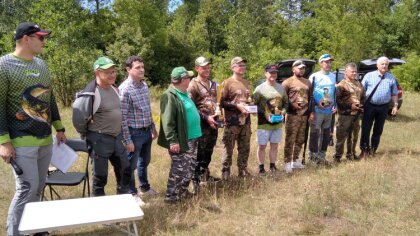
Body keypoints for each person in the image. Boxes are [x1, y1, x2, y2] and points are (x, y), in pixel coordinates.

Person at [0, 22, 67, 236]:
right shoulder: (4, 65)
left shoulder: (41, 64)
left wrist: (59, 126)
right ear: (26, 39)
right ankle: (15, 233)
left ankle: (37, 229)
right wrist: (4, 141)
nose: (44, 42)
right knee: (27, 189)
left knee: (38, 188)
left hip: (44, 140)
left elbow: (50, 97)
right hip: (20, 141)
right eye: (41, 38)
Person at [78, 56, 131, 197]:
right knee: (100, 177)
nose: (112, 75)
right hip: (99, 139)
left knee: (124, 170)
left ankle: (123, 204)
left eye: (113, 71)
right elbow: (79, 118)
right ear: (97, 73)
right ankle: (99, 211)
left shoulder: (114, 88)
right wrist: (88, 135)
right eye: (108, 72)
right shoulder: (91, 93)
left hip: (117, 137)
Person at [157, 67, 202, 203]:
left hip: (192, 138)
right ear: (183, 80)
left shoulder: (184, 93)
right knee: (179, 169)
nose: (191, 79)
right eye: (188, 77)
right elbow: (167, 121)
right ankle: (171, 196)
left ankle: (182, 191)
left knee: (189, 167)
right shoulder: (169, 95)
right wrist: (172, 141)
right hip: (182, 140)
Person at [119, 56, 158, 197]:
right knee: (130, 165)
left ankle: (145, 187)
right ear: (128, 70)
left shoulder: (144, 85)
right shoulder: (125, 89)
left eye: (142, 66)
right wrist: (127, 139)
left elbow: (147, 109)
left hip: (147, 131)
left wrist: (152, 126)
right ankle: (132, 193)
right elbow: (121, 118)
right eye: (137, 67)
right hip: (133, 133)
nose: (142, 69)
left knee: (144, 161)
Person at [187, 56, 221, 192]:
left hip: (214, 124)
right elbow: (190, 106)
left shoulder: (214, 84)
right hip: (200, 125)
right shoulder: (193, 84)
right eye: (203, 67)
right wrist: (206, 117)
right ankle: (195, 180)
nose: (207, 69)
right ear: (196, 68)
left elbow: (218, 102)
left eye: (208, 67)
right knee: (198, 152)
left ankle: (204, 175)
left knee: (209, 150)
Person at [359, 56, 399, 158]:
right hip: (369, 106)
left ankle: (373, 150)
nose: (384, 66)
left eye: (386, 64)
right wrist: (360, 104)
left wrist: (395, 105)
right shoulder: (369, 76)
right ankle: (364, 150)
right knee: (366, 129)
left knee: (378, 130)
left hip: (383, 107)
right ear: (377, 65)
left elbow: (394, 93)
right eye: (382, 64)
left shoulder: (391, 78)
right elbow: (361, 91)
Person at [220, 57, 252, 179]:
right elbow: (221, 103)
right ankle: (226, 172)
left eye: (244, 65)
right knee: (228, 148)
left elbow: (249, 101)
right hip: (232, 122)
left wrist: (250, 108)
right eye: (240, 65)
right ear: (233, 67)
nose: (242, 67)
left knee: (244, 148)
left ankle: (243, 170)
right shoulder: (227, 83)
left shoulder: (247, 83)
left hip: (246, 121)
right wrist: (236, 106)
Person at [253, 64, 288, 175]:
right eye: (271, 72)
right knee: (262, 146)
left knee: (274, 145)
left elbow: (286, 103)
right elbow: (254, 105)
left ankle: (272, 166)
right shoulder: (259, 88)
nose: (273, 74)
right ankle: (261, 168)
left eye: (275, 72)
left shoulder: (281, 88)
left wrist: (283, 112)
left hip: (277, 122)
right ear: (265, 73)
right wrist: (265, 113)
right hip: (264, 123)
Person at [282, 60, 311, 173]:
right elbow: (283, 99)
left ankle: (295, 160)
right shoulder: (287, 82)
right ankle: (287, 162)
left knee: (300, 139)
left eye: (303, 68)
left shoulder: (307, 82)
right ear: (293, 69)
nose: (301, 70)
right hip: (292, 114)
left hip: (304, 114)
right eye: (299, 68)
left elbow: (310, 98)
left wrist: (310, 112)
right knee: (290, 139)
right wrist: (291, 105)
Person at [308, 54, 337, 165]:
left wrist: (335, 106)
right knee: (315, 133)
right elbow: (309, 93)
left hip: (329, 111)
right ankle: (313, 157)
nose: (328, 64)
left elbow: (334, 93)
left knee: (326, 133)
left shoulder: (333, 76)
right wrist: (316, 102)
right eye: (326, 62)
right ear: (321, 63)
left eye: (330, 62)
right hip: (317, 110)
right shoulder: (314, 76)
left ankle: (322, 156)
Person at [334, 63, 365, 162]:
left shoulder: (359, 83)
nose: (354, 73)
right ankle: (337, 156)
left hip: (356, 115)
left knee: (354, 136)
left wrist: (362, 106)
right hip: (345, 115)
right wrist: (350, 106)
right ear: (346, 72)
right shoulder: (341, 85)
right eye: (352, 71)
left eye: (355, 71)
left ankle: (351, 154)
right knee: (341, 136)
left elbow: (363, 97)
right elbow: (338, 101)